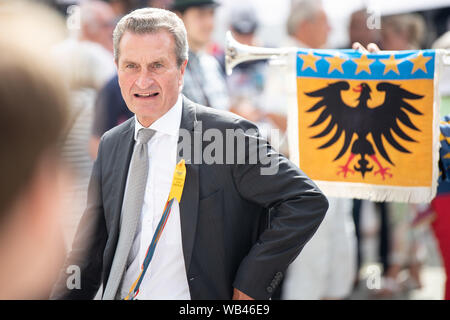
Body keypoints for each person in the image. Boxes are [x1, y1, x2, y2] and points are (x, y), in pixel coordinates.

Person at [50, 7, 328, 300]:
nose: (143, 81)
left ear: (181, 70)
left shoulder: (225, 136)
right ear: (117, 67)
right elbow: (87, 254)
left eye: (157, 65)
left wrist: (251, 283)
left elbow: (305, 200)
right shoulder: (111, 144)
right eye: (131, 66)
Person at [278, 0, 357, 300]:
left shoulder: (317, 55)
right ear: (304, 26)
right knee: (312, 255)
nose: (331, 29)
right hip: (307, 170)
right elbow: (274, 112)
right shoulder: (284, 56)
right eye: (324, 22)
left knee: (338, 245)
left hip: (330, 166)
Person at [172, 0, 230, 110]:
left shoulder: (211, 63)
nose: (209, 23)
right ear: (179, 18)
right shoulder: (168, 67)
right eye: (200, 15)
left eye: (211, 14)